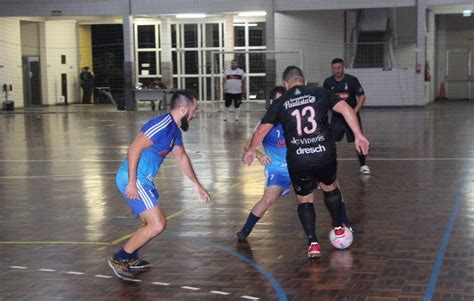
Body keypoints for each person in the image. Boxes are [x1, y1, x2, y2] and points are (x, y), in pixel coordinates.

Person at [243, 66, 369, 258]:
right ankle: (339, 228)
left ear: (286, 84)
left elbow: (260, 131)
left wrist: (252, 151)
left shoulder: (281, 101)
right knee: (331, 187)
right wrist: (359, 135)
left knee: (305, 199)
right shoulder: (320, 92)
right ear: (305, 79)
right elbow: (346, 109)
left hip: (299, 158)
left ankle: (313, 243)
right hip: (323, 152)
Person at [109, 90, 210, 280]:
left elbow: (181, 157)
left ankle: (130, 256)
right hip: (134, 179)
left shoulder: (175, 130)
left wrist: (197, 184)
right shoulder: (162, 125)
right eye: (194, 110)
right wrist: (132, 182)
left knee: (152, 223)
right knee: (157, 224)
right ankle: (120, 258)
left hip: (144, 180)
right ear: (183, 109)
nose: (195, 114)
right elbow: (134, 148)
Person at [236, 86, 290, 241]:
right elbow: (248, 145)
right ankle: (245, 231)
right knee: (269, 199)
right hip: (277, 169)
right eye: (276, 101)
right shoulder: (264, 123)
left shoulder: (294, 119)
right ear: (271, 102)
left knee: (327, 185)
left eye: (282, 100)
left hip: (298, 167)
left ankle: (342, 223)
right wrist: (259, 155)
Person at [323, 58, 370, 175]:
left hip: (352, 117)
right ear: (332, 69)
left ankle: (363, 165)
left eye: (339, 68)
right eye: (334, 68)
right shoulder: (328, 82)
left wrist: (353, 112)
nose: (337, 70)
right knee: (330, 142)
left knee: (359, 140)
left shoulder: (352, 80)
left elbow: (362, 97)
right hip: (337, 118)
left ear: (343, 67)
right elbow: (324, 99)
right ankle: (328, 166)